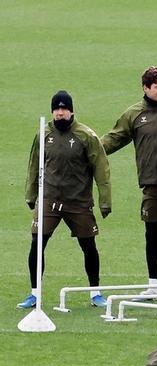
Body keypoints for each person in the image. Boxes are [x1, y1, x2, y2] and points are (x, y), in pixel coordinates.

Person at [101, 66, 157, 297]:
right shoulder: (133, 115)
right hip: (152, 185)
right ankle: (153, 285)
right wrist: (88, 150)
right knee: (152, 234)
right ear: (145, 87)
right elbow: (113, 139)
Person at [18, 90, 111, 309]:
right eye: (57, 109)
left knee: (88, 245)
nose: (60, 113)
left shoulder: (85, 136)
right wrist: (31, 194)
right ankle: (34, 293)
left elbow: (101, 168)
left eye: (64, 109)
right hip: (48, 199)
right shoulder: (43, 134)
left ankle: (95, 292)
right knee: (37, 243)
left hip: (78, 202)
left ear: (71, 111)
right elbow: (34, 165)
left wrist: (105, 201)